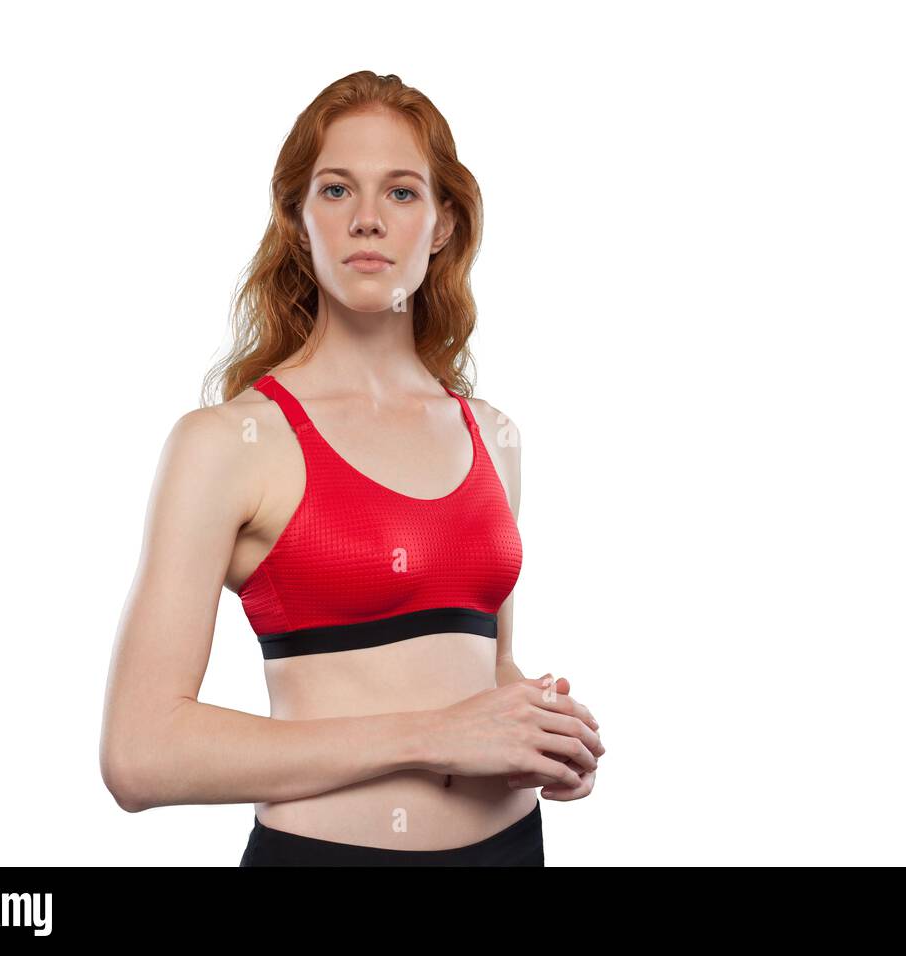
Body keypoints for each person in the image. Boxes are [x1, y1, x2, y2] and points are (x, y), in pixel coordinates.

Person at [100, 71, 605, 866]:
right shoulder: (227, 443)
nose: (367, 219)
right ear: (299, 222)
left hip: (514, 848)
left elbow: (486, 659)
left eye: (402, 194)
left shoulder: (493, 436)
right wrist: (431, 737)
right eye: (336, 191)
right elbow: (139, 753)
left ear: (443, 223)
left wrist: (541, 727)